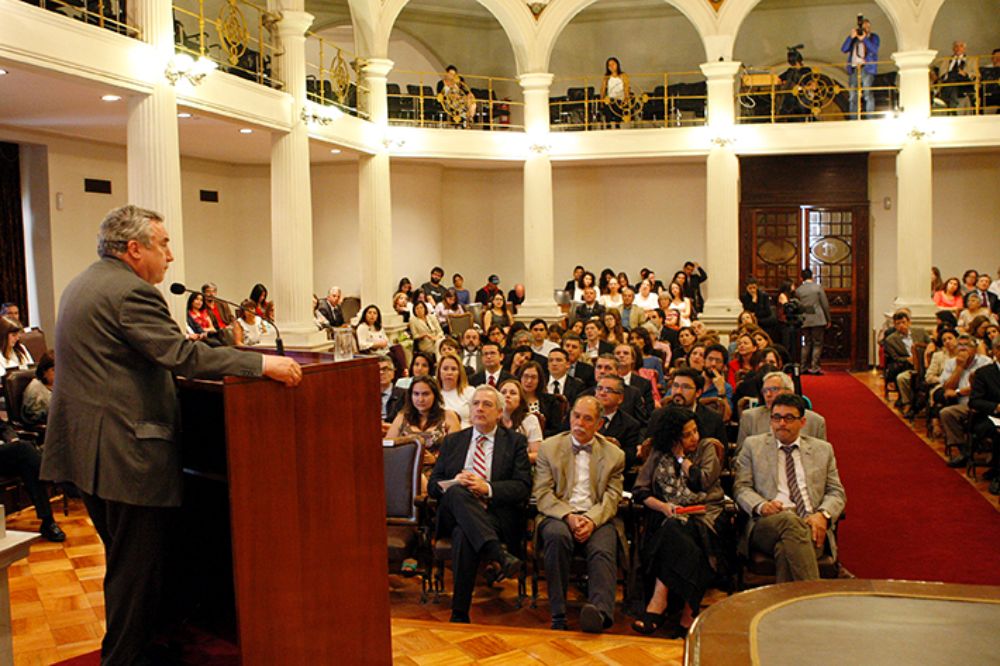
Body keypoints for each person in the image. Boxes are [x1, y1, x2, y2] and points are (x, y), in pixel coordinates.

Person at [40, 205, 301, 664]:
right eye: (164, 245)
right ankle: (123, 658)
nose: (171, 257)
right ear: (135, 249)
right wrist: (261, 363)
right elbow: (182, 356)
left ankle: (147, 645)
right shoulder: (131, 293)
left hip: (88, 451)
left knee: (131, 566)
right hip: (126, 453)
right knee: (134, 573)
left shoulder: (83, 283)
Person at [427, 385, 531, 623]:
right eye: (476, 404)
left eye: (487, 405)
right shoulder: (454, 441)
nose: (480, 409)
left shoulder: (514, 442)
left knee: (465, 534)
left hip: (494, 515)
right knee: (456, 492)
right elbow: (434, 485)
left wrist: (487, 488)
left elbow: (523, 486)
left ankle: (459, 613)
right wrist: (455, 482)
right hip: (454, 510)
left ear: (499, 413)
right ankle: (498, 554)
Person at [533, 396, 625, 632]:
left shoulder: (614, 455)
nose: (579, 423)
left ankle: (600, 614)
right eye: (576, 416)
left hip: (597, 515)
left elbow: (612, 498)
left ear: (599, 424)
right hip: (558, 514)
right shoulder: (549, 448)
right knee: (557, 537)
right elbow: (543, 494)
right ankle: (558, 613)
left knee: (604, 548)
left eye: (587, 419)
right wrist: (569, 516)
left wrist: (592, 521)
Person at [631, 406, 724, 637]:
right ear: (673, 437)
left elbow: (701, 481)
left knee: (679, 531)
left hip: (704, 515)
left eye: (695, 431)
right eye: (687, 434)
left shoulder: (706, 448)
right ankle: (689, 610)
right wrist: (663, 507)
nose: (695, 437)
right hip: (668, 516)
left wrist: (681, 457)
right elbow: (640, 491)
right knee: (676, 530)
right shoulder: (658, 453)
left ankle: (657, 603)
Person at [734, 393, 846, 582]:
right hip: (767, 523)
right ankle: (813, 595)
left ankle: (792, 607)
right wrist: (761, 505)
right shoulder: (753, 446)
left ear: (802, 422)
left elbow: (836, 492)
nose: (782, 423)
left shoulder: (822, 449)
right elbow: (741, 487)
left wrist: (823, 515)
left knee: (785, 549)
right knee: (788, 520)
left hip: (812, 526)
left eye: (789, 418)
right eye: (776, 417)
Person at [736, 371, 826, 451]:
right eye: (764, 391)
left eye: (774, 389)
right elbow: (739, 458)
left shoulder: (815, 422)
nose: (768, 395)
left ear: (790, 391)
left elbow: (822, 458)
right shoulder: (750, 417)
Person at [940, 335, 993, 468]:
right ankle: (964, 452)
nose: (962, 349)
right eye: (960, 345)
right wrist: (959, 368)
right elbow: (947, 387)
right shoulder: (952, 363)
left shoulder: (985, 363)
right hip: (962, 404)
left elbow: (982, 388)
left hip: (982, 403)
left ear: (974, 349)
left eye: (966, 345)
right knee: (946, 413)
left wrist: (958, 392)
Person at [969, 337, 1000, 495]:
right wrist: (996, 407)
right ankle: (998, 475)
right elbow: (974, 402)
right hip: (989, 417)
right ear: (995, 351)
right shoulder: (984, 373)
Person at [883, 310, 931, 413]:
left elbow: (931, 345)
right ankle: (907, 403)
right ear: (895, 325)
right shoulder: (890, 340)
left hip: (926, 363)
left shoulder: (920, 332)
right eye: (898, 323)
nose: (901, 326)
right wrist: (908, 360)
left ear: (909, 322)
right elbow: (895, 358)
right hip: (908, 366)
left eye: (903, 322)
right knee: (901, 378)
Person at [594, 374, 642, 476]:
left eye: (608, 390)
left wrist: (616, 450)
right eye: (599, 389)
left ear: (620, 398)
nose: (602, 393)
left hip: (610, 474)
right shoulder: (580, 416)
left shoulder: (630, 425)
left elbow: (629, 460)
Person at [841, 16, 880, 117]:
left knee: (867, 94)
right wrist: (851, 37)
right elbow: (844, 49)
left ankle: (870, 117)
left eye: (868, 26)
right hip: (854, 69)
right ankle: (853, 118)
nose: (866, 29)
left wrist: (864, 39)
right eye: (864, 26)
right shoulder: (854, 39)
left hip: (867, 68)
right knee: (853, 95)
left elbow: (874, 49)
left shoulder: (873, 37)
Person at [498, 379, 544, 461]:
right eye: (503, 392)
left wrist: (514, 460)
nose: (507, 395)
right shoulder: (492, 420)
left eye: (513, 393)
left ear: (520, 400)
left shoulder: (530, 420)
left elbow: (537, 454)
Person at [795, 268, 831, 374]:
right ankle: (815, 367)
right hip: (818, 319)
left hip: (805, 319)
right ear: (812, 276)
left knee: (806, 343)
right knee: (817, 343)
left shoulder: (799, 290)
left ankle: (803, 366)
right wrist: (828, 318)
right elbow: (825, 304)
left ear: (801, 278)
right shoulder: (818, 288)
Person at [438, 353, 476, 427]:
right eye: (445, 369)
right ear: (439, 372)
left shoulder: (470, 392)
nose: (449, 372)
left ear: (459, 372)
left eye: (454, 369)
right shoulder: (433, 393)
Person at [21, 349, 55, 426]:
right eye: (54, 370)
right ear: (44, 371)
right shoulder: (35, 389)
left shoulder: (63, 385)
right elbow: (33, 417)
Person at [600, 57, 630, 128]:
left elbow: (626, 87)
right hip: (610, 99)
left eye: (613, 64)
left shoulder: (623, 75)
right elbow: (603, 89)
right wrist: (601, 100)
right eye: (609, 65)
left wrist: (626, 98)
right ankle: (608, 125)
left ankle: (617, 125)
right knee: (608, 106)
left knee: (618, 107)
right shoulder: (607, 77)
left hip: (620, 99)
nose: (611, 67)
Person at [379, 356, 406, 433]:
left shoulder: (404, 394)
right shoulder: (366, 396)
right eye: (377, 370)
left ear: (393, 373)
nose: (381, 373)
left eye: (385, 369)